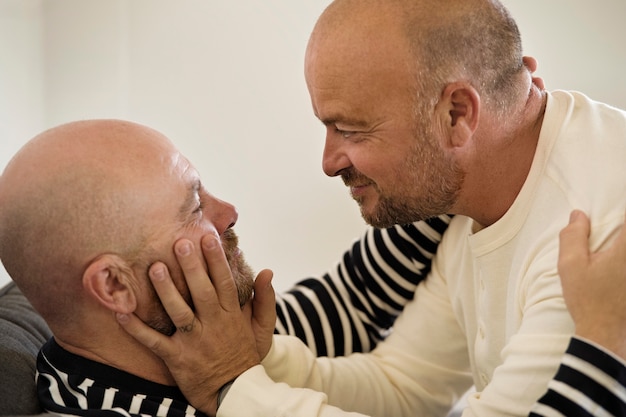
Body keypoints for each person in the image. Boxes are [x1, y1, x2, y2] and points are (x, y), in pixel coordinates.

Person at [117, 0, 626, 416]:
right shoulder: (470, 194)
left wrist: (233, 388)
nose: (328, 162)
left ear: (457, 114)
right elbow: (405, 386)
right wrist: (257, 358)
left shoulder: (596, 236)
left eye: (351, 130)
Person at [0, 118, 450, 416]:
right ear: (115, 285)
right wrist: (234, 383)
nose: (228, 212)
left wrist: (451, 169)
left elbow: (355, 301)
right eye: (194, 206)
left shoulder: (202, 338)